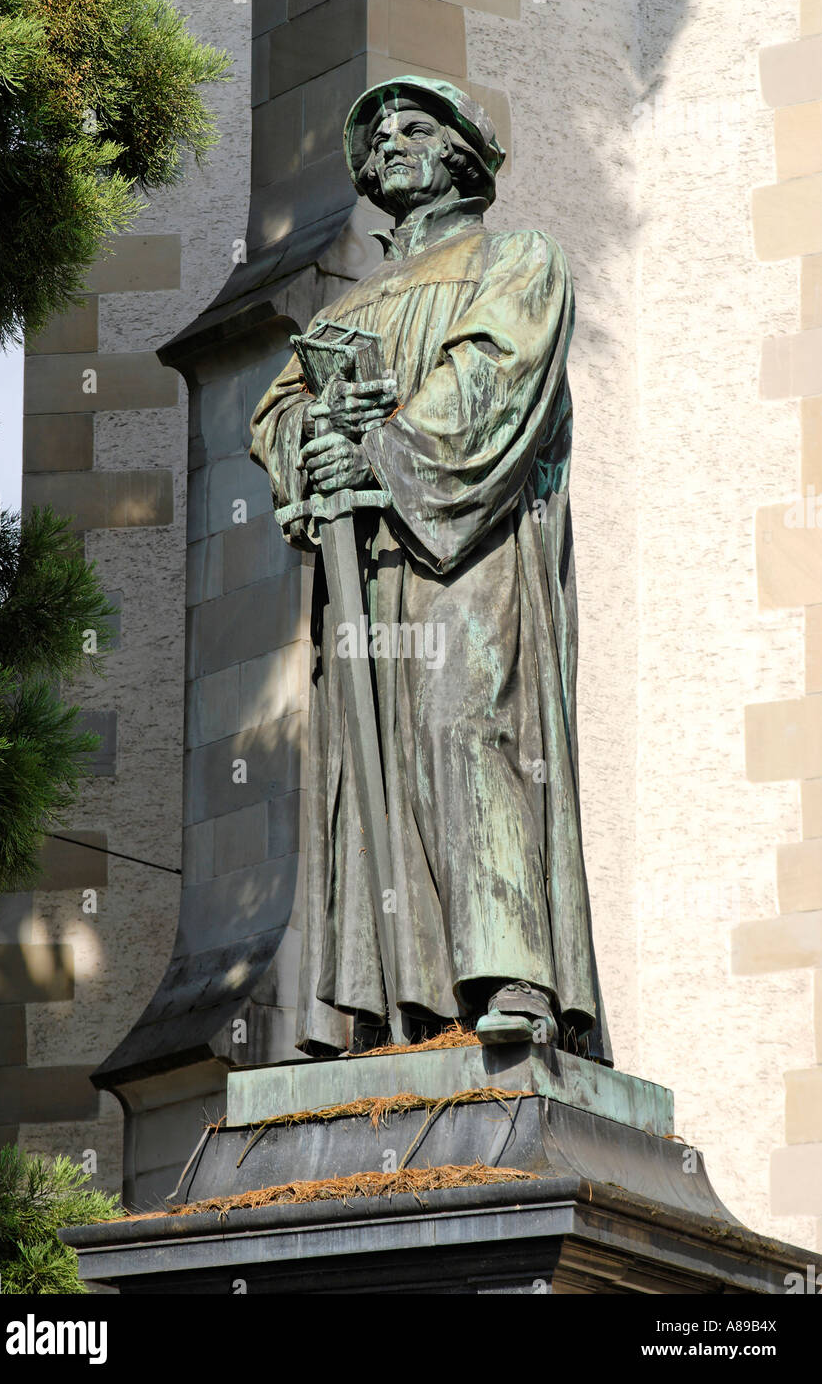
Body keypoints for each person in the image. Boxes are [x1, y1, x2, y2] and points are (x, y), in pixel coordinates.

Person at [251, 77, 611, 1063]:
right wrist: (309, 450)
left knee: (465, 727)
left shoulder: (518, 259)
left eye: (417, 126)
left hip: (468, 551)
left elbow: (492, 377)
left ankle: (510, 977)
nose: (392, 144)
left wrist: (377, 452)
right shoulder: (349, 310)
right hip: (368, 568)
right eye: (379, 136)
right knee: (366, 763)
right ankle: (375, 1001)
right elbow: (280, 412)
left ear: (466, 153)